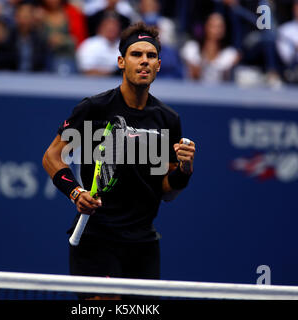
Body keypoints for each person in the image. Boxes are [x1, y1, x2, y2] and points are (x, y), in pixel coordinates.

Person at [42, 22, 196, 299]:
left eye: (151, 56)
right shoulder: (94, 108)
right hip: (96, 237)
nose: (144, 61)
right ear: (121, 62)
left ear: (159, 65)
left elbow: (167, 193)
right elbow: (53, 156)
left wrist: (184, 170)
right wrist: (75, 192)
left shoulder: (168, 119)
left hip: (143, 244)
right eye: (136, 54)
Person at [181, 12, 240, 83]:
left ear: (224, 30)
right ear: (206, 26)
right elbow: (193, 75)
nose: (216, 30)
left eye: (220, 27)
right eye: (213, 26)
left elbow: (226, 78)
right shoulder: (191, 47)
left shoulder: (230, 53)